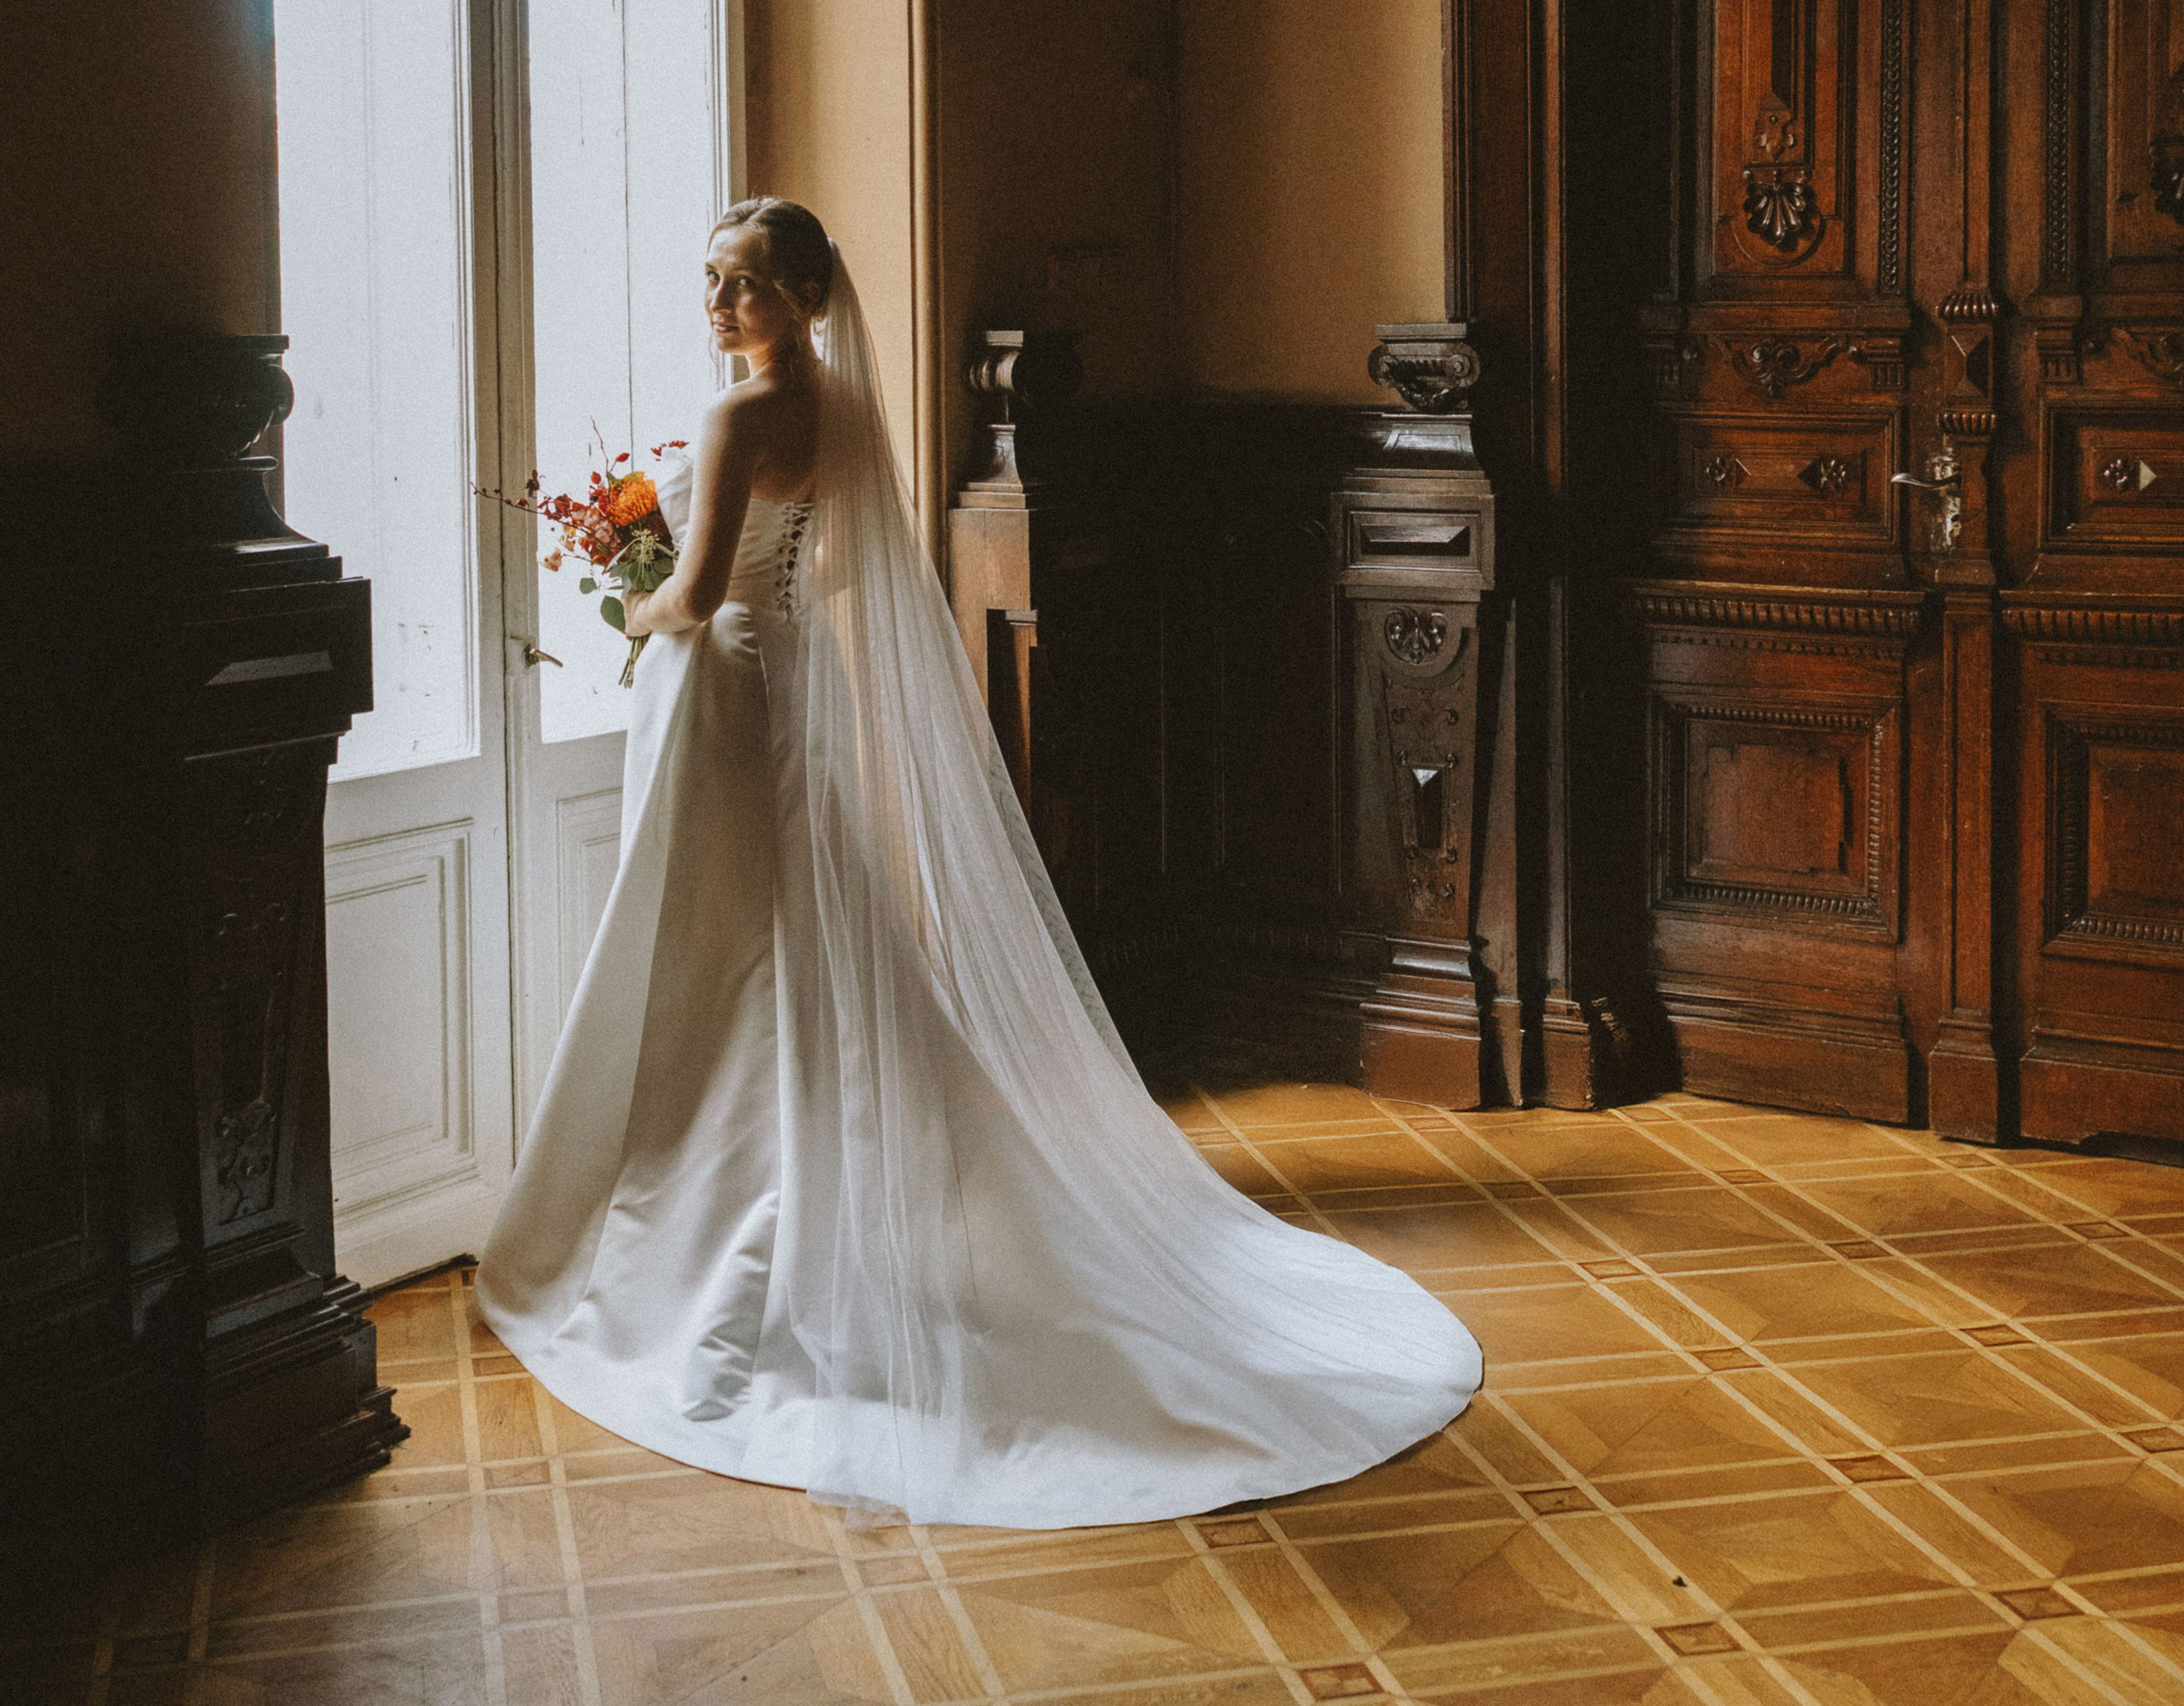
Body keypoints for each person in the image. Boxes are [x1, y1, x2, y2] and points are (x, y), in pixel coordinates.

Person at [475, 197, 1482, 1527]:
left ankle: (730, 1240)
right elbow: (832, 581)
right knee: (776, 937)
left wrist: (634, 577)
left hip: (720, 689)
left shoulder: (734, 420)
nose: (717, 307)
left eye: (744, 287)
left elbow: (705, 589)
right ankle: (813, 1213)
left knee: (720, 946)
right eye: (710, 282)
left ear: (802, 302)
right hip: (780, 689)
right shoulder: (841, 412)